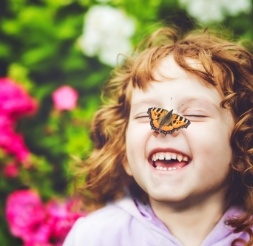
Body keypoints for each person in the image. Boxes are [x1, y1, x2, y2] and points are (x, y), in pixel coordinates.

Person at [63, 26, 253, 246]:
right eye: (146, 115)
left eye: (194, 114)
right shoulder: (96, 237)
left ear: (242, 146)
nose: (164, 128)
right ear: (124, 153)